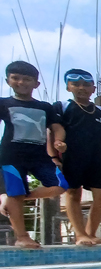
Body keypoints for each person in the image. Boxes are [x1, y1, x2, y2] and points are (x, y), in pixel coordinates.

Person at [0, 61, 67, 249]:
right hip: (11, 156)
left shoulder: (45, 107)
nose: (21, 82)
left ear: (36, 84)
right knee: (15, 191)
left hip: (40, 156)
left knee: (61, 185)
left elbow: (57, 127)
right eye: (16, 78)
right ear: (8, 81)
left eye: (27, 79)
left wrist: (58, 141)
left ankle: (13, 197)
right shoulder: (4, 103)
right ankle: (22, 236)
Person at [53, 68, 101, 245]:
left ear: (93, 89)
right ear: (68, 87)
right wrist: (54, 155)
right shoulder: (62, 107)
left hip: (96, 159)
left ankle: (90, 233)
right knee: (73, 193)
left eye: (86, 84)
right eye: (76, 84)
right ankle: (80, 234)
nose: (81, 88)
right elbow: (52, 131)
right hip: (71, 157)